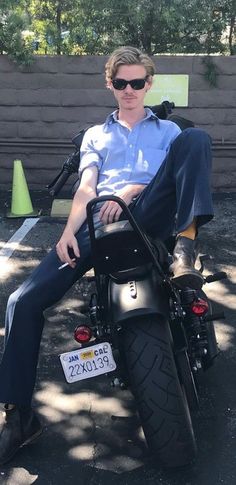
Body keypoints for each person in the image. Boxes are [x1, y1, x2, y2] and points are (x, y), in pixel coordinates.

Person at [0, 46, 214, 465]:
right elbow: (86, 188)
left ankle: (185, 247)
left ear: (148, 85)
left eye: (137, 83)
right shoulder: (97, 135)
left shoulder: (167, 132)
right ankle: (19, 416)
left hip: (149, 215)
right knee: (20, 301)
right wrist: (67, 232)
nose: (129, 90)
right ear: (109, 84)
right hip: (99, 222)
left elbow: (174, 177)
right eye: (121, 83)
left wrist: (134, 191)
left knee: (197, 138)